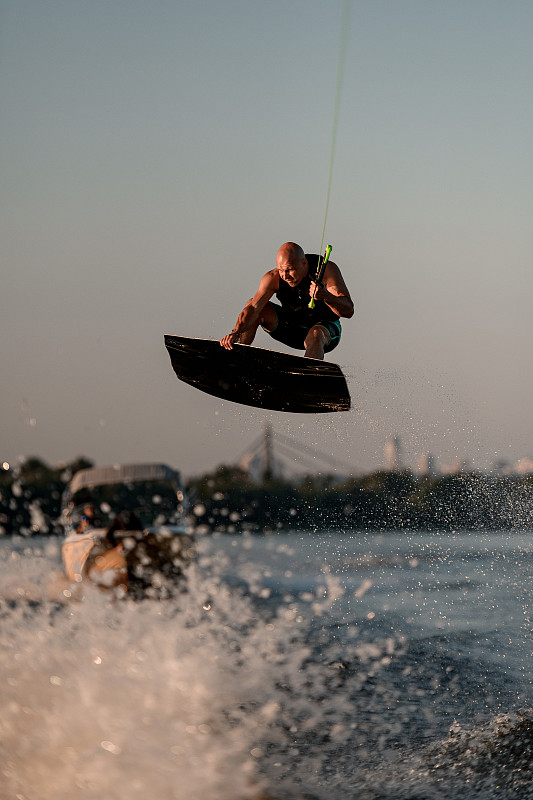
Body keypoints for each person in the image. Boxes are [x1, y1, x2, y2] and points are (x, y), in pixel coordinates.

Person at [220, 242, 353, 360]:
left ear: (304, 263)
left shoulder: (326, 270)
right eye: (281, 270)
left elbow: (349, 310)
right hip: (293, 328)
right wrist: (235, 332)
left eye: (289, 270)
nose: (285, 275)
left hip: (325, 332)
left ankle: (309, 377)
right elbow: (253, 308)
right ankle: (237, 357)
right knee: (255, 306)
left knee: (316, 333)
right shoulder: (273, 278)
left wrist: (326, 296)